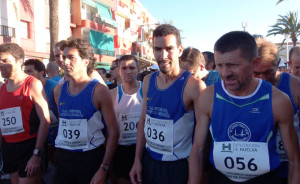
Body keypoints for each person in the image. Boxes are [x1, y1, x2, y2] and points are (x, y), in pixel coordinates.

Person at [189, 31, 300, 184]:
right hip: (220, 178)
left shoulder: (278, 100)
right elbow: (198, 149)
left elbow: (294, 160)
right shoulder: (208, 96)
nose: (225, 73)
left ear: (254, 62)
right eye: (219, 65)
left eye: (232, 65)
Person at [129, 24, 206, 184]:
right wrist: (137, 160)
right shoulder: (148, 81)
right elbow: (143, 121)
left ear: (179, 50)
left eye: (169, 49)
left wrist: (194, 179)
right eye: (157, 49)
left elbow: (200, 142)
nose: (163, 55)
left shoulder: (194, 86)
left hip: (178, 167)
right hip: (150, 161)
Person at [53, 37, 119, 184]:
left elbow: (113, 131)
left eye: (71, 58)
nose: (65, 62)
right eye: (64, 57)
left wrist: (104, 168)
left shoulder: (99, 91)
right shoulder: (58, 91)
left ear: (85, 61)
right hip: (64, 157)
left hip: (90, 158)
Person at [0, 43, 50, 184]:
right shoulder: (2, 88)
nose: (1, 64)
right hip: (9, 147)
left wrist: (37, 153)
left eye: (5, 61)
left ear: (19, 61)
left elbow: (45, 120)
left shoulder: (32, 84)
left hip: (29, 146)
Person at [253, 38, 300, 183]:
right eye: (255, 73)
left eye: (267, 72)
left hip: (289, 165)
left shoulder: (295, 85)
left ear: (277, 63)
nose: (262, 78)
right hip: (259, 168)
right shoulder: (242, 88)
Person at [110, 55, 143, 184]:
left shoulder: (145, 90)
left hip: (143, 148)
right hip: (122, 148)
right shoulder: (112, 94)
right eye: (124, 68)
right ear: (119, 71)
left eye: (131, 68)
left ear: (138, 69)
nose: (128, 71)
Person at [23, 59, 59, 166]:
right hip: (37, 137)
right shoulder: (26, 88)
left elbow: (63, 112)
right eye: (25, 71)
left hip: (56, 138)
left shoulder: (54, 87)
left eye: (29, 71)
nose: (26, 75)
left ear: (41, 73)